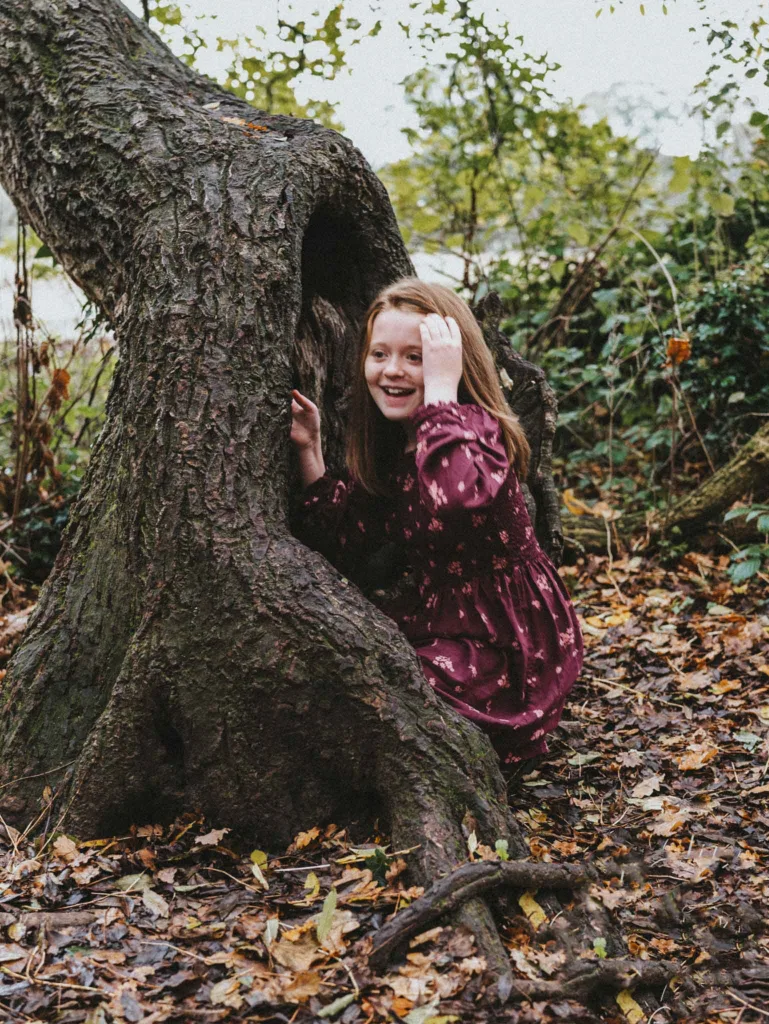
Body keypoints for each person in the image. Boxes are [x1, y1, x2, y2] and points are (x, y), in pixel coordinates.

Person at [290, 278, 582, 768]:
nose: (393, 371)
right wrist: (310, 450)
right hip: (443, 623)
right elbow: (340, 539)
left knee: (401, 692)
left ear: (450, 365)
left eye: (416, 357)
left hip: (510, 643)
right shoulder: (392, 450)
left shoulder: (475, 428)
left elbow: (457, 498)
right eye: (379, 354)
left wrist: (443, 397)